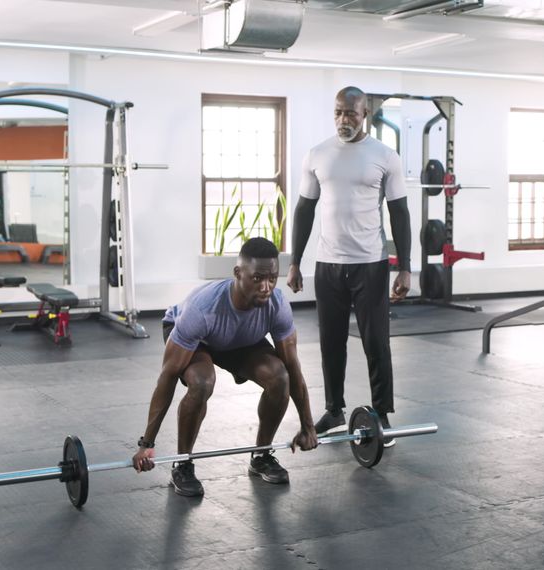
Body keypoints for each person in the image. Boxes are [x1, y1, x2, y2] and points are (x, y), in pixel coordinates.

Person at [132, 237, 318, 497]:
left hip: (240, 341)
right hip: (198, 340)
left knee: (281, 377)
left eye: (272, 278)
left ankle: (261, 456)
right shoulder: (203, 309)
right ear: (238, 274)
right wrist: (146, 444)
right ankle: (183, 465)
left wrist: (308, 425)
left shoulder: (276, 304)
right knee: (202, 382)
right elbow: (168, 376)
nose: (266, 287)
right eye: (257, 279)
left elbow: (294, 367)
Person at [287, 86, 412, 445]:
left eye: (351, 113)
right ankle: (334, 408)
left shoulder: (385, 156)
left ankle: (382, 413)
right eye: (339, 112)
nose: (344, 119)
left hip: (371, 264)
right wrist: (295, 262)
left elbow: (399, 212)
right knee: (331, 342)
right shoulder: (317, 154)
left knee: (376, 342)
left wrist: (405, 266)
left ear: (365, 114)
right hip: (328, 265)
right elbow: (304, 209)